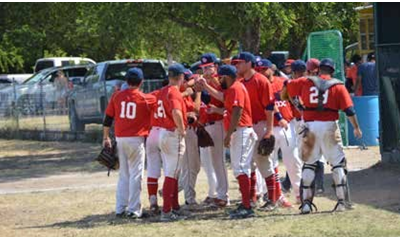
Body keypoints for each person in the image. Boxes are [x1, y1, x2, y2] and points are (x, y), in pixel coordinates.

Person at [282, 58, 363, 214]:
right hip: (329, 126)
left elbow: (286, 89)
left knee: (309, 164)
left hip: (309, 126)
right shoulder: (338, 86)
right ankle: (341, 202)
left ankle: (306, 204)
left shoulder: (305, 81)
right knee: (338, 164)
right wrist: (356, 128)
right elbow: (349, 111)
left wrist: (297, 105)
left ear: (319, 70)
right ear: (332, 71)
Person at [234, 52, 291, 211]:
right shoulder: (240, 81)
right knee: (248, 163)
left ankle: (272, 200)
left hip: (261, 125)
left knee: (263, 162)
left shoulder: (261, 80)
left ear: (249, 63)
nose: (237, 65)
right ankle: (252, 198)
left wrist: (270, 130)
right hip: (248, 126)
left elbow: (270, 107)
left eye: (240, 63)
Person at [199, 65, 258, 219]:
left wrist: (228, 134)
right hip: (240, 131)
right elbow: (223, 98)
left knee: (240, 169)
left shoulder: (236, 88)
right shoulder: (233, 88)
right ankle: (246, 203)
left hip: (241, 131)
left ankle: (247, 205)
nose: (219, 80)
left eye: (221, 77)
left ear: (227, 77)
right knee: (240, 168)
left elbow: (237, 112)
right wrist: (206, 86)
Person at [102, 68, 156, 219]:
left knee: (124, 174)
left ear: (126, 81)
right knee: (136, 174)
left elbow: (107, 118)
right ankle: (133, 209)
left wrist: (106, 137)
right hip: (136, 139)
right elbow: (157, 102)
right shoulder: (146, 98)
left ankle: (120, 208)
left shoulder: (116, 96)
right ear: (142, 82)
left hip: (120, 138)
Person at [257, 59, 302, 205]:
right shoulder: (260, 85)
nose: (262, 72)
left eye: (264, 68)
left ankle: (299, 193)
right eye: (259, 69)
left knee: (293, 160)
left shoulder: (283, 81)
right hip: (268, 126)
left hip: (286, 126)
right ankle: (276, 195)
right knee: (270, 163)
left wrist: (299, 118)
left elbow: (293, 101)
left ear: (271, 68)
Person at [197, 53, 230, 208]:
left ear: (215, 66)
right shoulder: (203, 81)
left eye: (209, 66)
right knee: (211, 163)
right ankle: (217, 193)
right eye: (204, 67)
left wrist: (207, 85)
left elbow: (226, 101)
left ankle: (224, 196)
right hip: (207, 125)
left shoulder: (221, 81)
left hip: (219, 123)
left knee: (219, 161)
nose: (206, 70)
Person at [156, 63, 188, 222]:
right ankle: (167, 211)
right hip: (172, 133)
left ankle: (174, 207)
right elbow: (176, 112)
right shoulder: (174, 92)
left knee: (172, 172)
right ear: (180, 77)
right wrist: (182, 130)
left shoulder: (163, 91)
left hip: (163, 132)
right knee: (171, 173)